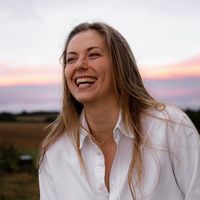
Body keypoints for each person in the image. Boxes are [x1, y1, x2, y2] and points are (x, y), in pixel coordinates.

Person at [38, 22, 200, 200]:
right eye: (71, 59)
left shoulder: (170, 127)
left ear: (120, 65)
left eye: (93, 55)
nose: (80, 65)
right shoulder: (55, 153)